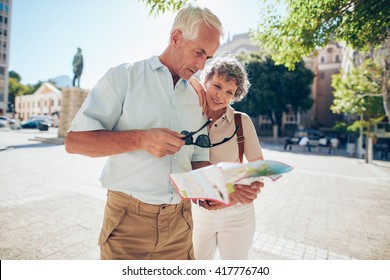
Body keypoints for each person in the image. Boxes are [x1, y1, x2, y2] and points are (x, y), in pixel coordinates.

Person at [65, 3, 260, 260]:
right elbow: (75, 142)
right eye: (198, 52)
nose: (202, 66)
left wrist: (224, 192)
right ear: (175, 37)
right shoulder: (124, 78)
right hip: (127, 223)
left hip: (181, 224)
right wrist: (140, 139)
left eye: (208, 58)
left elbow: (198, 160)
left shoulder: (196, 97)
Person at [189, 55, 264, 260]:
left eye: (229, 92)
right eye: (217, 86)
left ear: (235, 96)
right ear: (205, 80)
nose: (220, 95)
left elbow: (259, 169)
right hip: (197, 213)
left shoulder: (242, 121)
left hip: (237, 214)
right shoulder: (187, 115)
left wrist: (249, 188)